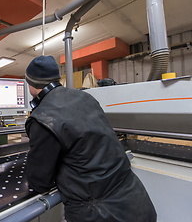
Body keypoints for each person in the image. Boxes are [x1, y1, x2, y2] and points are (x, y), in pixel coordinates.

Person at [24, 55, 157, 222]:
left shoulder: (42, 118)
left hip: (99, 213)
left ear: (30, 84)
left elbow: (39, 183)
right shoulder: (86, 97)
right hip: (136, 202)